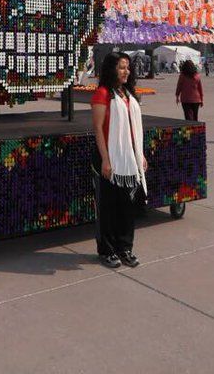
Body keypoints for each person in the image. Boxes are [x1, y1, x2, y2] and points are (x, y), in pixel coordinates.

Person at [89, 52, 147, 269]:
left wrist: (139, 154)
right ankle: (107, 250)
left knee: (126, 207)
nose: (126, 71)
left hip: (128, 159)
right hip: (109, 159)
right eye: (122, 67)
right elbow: (98, 129)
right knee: (108, 208)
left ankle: (125, 248)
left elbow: (133, 129)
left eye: (128, 68)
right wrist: (105, 159)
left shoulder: (126, 93)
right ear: (112, 69)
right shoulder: (102, 94)